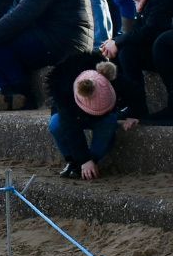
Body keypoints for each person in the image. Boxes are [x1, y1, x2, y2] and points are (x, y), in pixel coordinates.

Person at [100, 0, 173, 120]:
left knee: (127, 51)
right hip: (159, 49)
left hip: (170, 51)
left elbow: (152, 30)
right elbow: (139, 32)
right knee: (123, 50)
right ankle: (126, 103)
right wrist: (115, 42)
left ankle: (136, 105)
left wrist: (119, 41)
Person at [47, 52, 126, 180]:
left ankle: (93, 161)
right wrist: (83, 160)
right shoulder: (63, 88)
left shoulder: (108, 78)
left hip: (103, 115)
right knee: (56, 124)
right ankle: (74, 163)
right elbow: (70, 127)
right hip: (73, 112)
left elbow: (133, 90)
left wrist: (135, 114)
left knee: (110, 122)